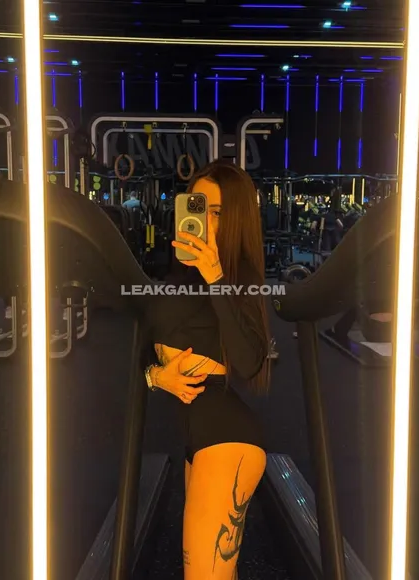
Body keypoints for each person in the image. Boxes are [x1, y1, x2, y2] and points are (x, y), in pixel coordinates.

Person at [138, 160, 270, 580]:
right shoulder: (174, 274)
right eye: (195, 205)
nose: (203, 220)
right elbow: (143, 351)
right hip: (196, 440)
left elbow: (250, 362)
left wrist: (216, 276)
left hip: (227, 440)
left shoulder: (240, 278)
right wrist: (156, 377)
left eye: (215, 211)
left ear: (235, 219)